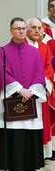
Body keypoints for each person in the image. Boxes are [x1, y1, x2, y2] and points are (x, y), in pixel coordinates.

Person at [0, 17, 46, 171]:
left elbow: (39, 73)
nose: (21, 31)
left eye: (23, 28)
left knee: (30, 132)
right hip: (12, 97)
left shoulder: (34, 51)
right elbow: (2, 74)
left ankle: (31, 166)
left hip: (31, 97)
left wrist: (31, 91)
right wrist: (19, 89)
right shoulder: (2, 51)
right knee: (14, 133)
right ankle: (13, 168)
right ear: (11, 31)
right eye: (18, 29)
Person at [26, 17, 55, 160]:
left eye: (39, 28)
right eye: (33, 28)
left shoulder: (44, 47)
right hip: (25, 93)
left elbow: (49, 67)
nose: (37, 31)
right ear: (26, 29)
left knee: (41, 123)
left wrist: (40, 84)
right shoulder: (21, 45)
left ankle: (39, 157)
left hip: (40, 92)